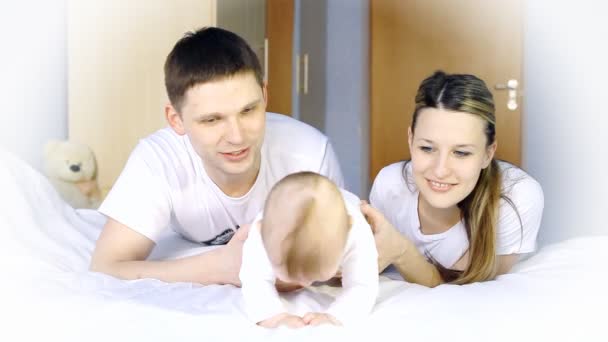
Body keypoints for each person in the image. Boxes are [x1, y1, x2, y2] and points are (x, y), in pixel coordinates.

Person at [89, 27, 344, 287]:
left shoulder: (310, 153)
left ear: (265, 97)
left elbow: (340, 261)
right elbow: (106, 266)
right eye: (212, 120)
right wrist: (220, 267)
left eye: (248, 110)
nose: (237, 136)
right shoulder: (157, 159)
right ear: (176, 120)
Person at [361, 71, 544, 286]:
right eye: (427, 148)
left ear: (488, 153)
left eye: (461, 153)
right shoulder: (390, 185)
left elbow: (465, 290)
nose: (440, 170)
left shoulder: (517, 196)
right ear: (410, 140)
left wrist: (401, 251)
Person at [240, 172, 378, 328]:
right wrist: (273, 316)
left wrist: (336, 316)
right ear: (260, 230)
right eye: (286, 270)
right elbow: (254, 279)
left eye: (316, 272)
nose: (303, 282)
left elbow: (362, 285)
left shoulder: (356, 231)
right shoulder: (266, 229)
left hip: (353, 208)